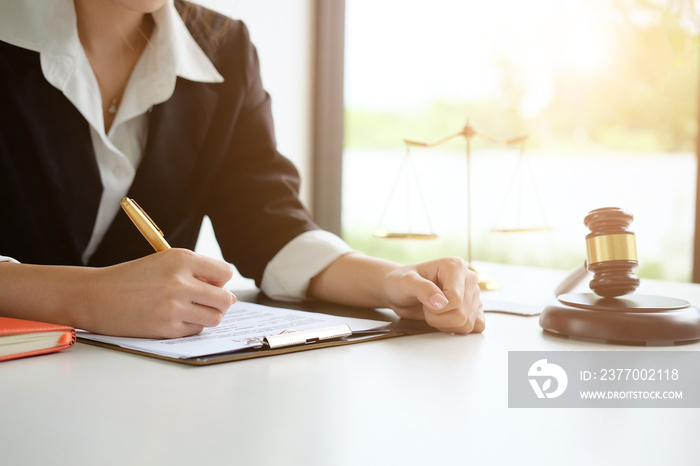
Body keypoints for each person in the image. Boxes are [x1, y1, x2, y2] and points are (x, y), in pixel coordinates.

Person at [0, 0, 484, 339]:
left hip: (141, 392)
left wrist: (391, 280)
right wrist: (85, 298)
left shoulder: (223, 47)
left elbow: (267, 223)